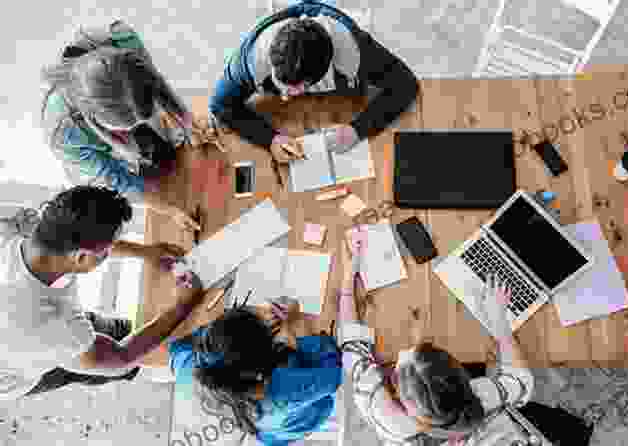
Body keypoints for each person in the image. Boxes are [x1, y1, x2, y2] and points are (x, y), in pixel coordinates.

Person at [0, 185, 203, 400]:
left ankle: (143, 349)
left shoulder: (28, 231)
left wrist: (146, 252)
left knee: (104, 331)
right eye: (106, 252)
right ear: (80, 257)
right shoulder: (50, 328)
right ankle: (150, 368)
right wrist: (184, 303)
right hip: (12, 372)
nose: (109, 252)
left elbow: (87, 239)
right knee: (92, 366)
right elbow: (120, 357)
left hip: (30, 323)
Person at [338, 236, 537, 446]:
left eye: (398, 371)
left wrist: (347, 282)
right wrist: (499, 322)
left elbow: (352, 347)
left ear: (403, 401)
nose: (402, 352)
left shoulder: (388, 417)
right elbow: (523, 381)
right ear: (464, 377)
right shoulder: (483, 396)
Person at [209, 0, 419, 164]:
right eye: (283, 86)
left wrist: (358, 129)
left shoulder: (356, 50)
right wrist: (269, 139)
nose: (290, 96)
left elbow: (405, 84)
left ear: (327, 67)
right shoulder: (250, 60)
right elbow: (219, 105)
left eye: (300, 88)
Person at [40, 20, 200, 232]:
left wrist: (188, 123)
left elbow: (155, 81)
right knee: (155, 177)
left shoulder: (121, 39)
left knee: (167, 153)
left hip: (114, 122)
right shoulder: (63, 135)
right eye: (123, 127)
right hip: (93, 153)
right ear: (92, 116)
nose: (136, 130)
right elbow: (117, 178)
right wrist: (169, 210)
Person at [168, 294, 343, 445]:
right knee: (324, 401)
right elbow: (335, 375)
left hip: (261, 428)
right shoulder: (284, 389)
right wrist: (294, 329)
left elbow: (177, 346)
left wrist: (238, 330)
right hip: (287, 424)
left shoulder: (187, 366)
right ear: (271, 360)